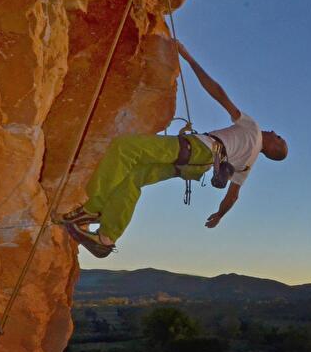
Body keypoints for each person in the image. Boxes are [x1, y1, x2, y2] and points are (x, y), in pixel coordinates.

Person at [60, 41, 288, 257]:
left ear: (273, 147)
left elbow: (218, 93)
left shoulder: (253, 128)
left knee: (125, 148)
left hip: (197, 150)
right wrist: (219, 215)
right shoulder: (248, 163)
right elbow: (233, 196)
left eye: (278, 137)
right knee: (133, 178)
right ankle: (106, 239)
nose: (274, 132)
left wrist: (189, 58)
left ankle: (93, 207)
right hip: (193, 167)